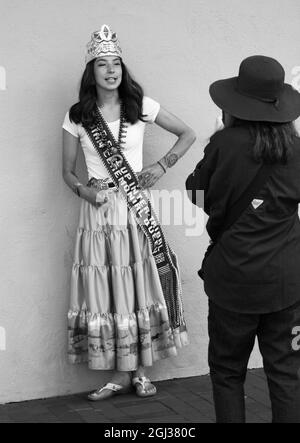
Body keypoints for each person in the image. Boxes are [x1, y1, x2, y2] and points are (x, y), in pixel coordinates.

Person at [62, 25, 195, 401]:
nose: (110, 70)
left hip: (134, 210)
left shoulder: (142, 106)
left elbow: (187, 133)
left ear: (123, 68)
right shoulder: (76, 116)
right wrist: (84, 191)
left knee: (137, 283)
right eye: (102, 64)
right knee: (108, 288)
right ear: (92, 71)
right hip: (98, 214)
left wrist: (162, 165)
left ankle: (139, 370)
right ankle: (118, 375)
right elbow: (67, 173)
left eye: (116, 63)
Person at [186, 55, 300, 423]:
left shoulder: (224, 144)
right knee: (286, 374)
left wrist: (214, 145)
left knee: (227, 372)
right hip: (287, 281)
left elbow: (197, 197)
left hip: (233, 279)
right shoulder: (296, 149)